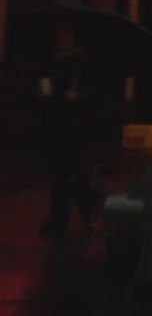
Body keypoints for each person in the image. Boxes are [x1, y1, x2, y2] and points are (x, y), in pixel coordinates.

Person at [37, 26, 102, 237]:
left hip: (73, 123)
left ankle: (65, 216)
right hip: (55, 121)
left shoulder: (82, 61)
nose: (63, 39)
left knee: (64, 173)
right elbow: (44, 86)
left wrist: (78, 95)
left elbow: (95, 91)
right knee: (60, 173)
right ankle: (87, 200)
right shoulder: (50, 60)